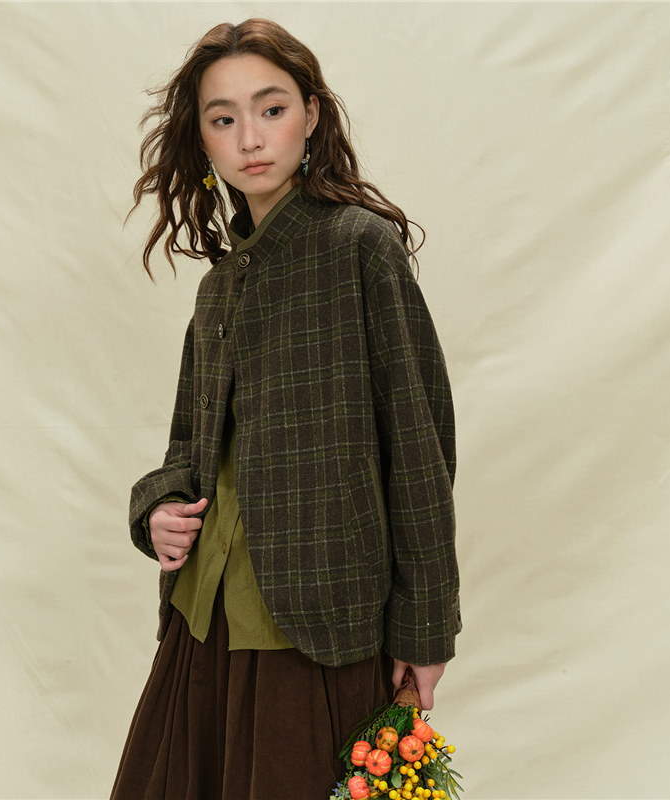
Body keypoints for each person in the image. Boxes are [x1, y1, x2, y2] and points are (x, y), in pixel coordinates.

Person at [110, 18, 461, 800]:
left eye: (271, 109)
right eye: (222, 119)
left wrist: (426, 630)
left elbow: (420, 450)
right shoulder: (219, 286)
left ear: (311, 115)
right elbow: (188, 452)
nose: (250, 138)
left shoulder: (359, 249)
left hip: (318, 625)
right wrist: (156, 509)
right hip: (203, 620)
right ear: (202, 141)